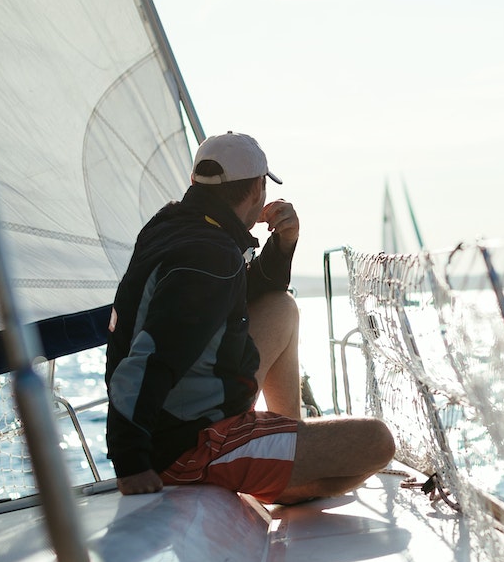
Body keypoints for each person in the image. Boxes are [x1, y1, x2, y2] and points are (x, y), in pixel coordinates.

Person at [105, 132, 394, 504]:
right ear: (258, 189)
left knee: (281, 306)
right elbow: (147, 361)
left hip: (192, 409)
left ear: (195, 183)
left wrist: (283, 242)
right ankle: (288, 474)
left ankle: (287, 439)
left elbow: (240, 290)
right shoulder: (209, 257)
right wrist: (132, 464)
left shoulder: (179, 227)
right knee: (376, 442)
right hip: (189, 443)